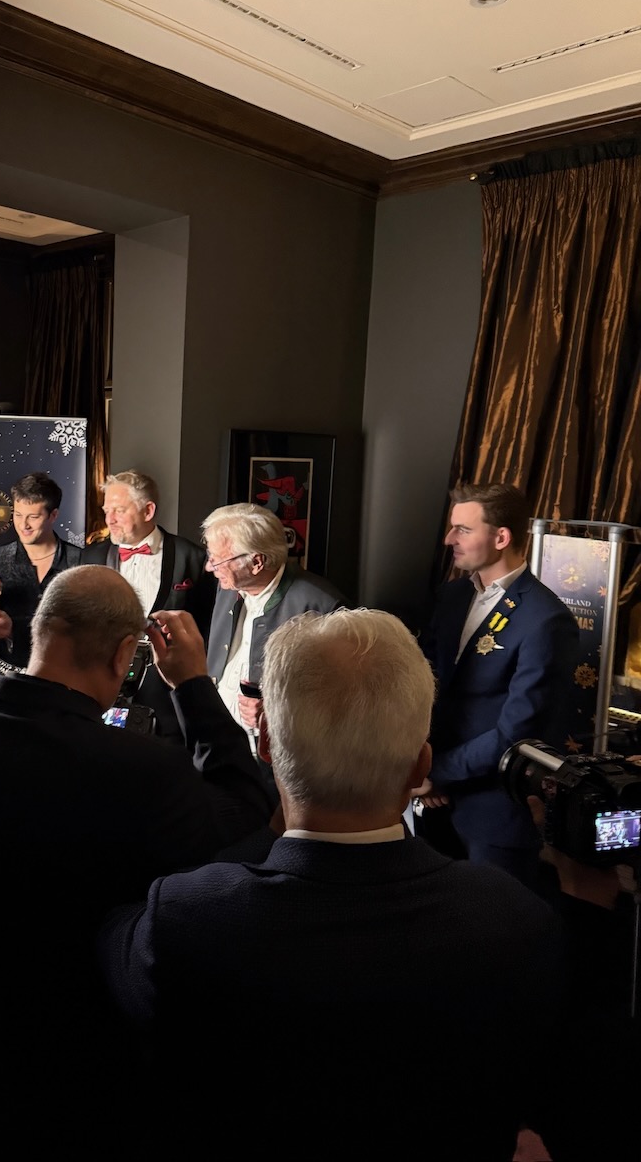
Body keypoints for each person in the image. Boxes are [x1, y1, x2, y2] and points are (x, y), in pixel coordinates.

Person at [98, 608, 618, 1161]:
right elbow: (579, 1087)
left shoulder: (185, 918)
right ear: (421, 766)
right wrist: (590, 904)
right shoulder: (513, 920)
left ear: (268, 743)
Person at [0, 565, 270, 1146]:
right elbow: (246, 816)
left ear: (39, 630)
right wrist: (193, 685)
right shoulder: (142, 772)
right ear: (124, 655)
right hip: (76, 1058)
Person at [416, 482, 580, 887]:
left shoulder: (546, 619)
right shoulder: (451, 595)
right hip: (430, 802)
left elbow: (517, 735)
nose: (448, 539)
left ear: (501, 537)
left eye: (462, 529)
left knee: (490, 922)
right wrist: (421, 770)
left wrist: (434, 771)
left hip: (492, 814)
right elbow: (422, 685)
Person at [81, 470, 215, 739]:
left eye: (119, 511)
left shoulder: (192, 558)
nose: (109, 519)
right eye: (107, 511)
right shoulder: (90, 557)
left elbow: (208, 627)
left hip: (167, 695)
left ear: (148, 510)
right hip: (104, 687)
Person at [203, 502, 344, 741]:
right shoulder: (228, 585)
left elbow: (340, 699)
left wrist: (276, 712)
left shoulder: (323, 607)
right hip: (218, 738)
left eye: (217, 560)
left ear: (256, 563)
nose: (209, 567)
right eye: (210, 556)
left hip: (274, 751)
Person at [0, 471, 81, 681]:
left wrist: (12, 630)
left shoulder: (79, 563)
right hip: (4, 680)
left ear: (53, 515)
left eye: (33, 517)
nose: (23, 525)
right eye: (18, 515)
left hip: (63, 682)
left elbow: (87, 632)